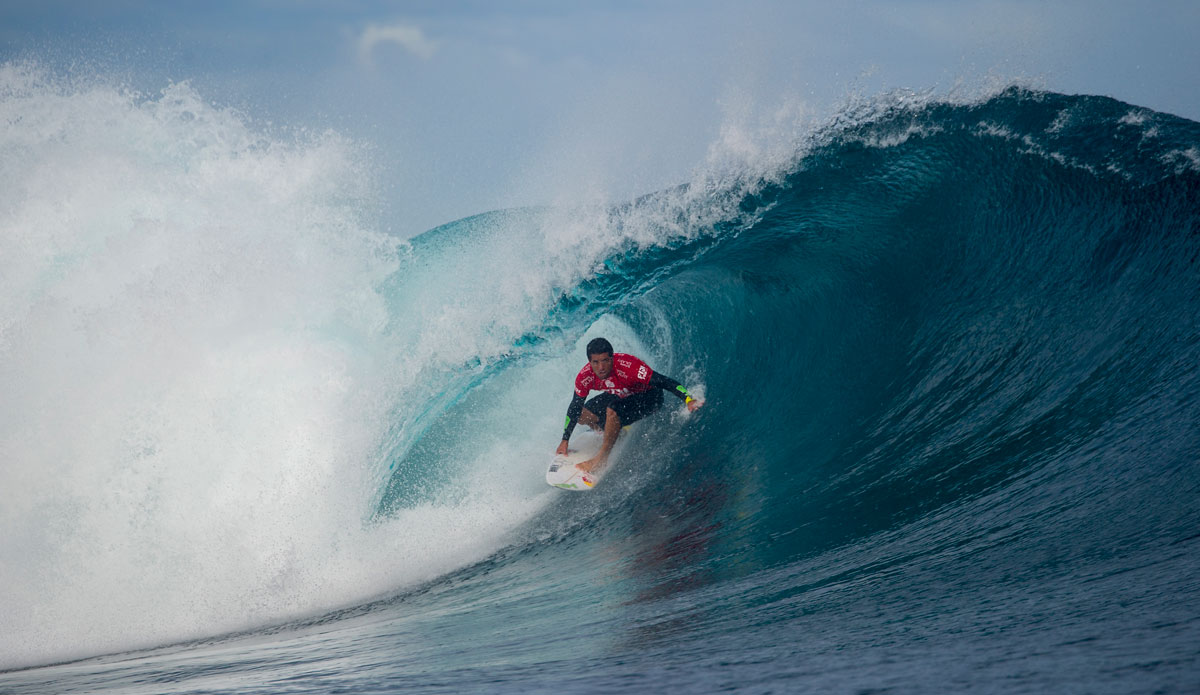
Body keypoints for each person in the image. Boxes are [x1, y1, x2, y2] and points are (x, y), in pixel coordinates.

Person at [556, 337, 703, 473]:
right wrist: (565, 440)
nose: (601, 367)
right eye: (595, 362)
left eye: (605, 360)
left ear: (612, 358)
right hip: (620, 393)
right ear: (590, 362)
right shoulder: (585, 377)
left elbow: (664, 381)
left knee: (612, 410)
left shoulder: (629, 367)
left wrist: (688, 399)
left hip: (650, 398)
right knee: (580, 413)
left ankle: (601, 459)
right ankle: (611, 431)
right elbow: (575, 406)